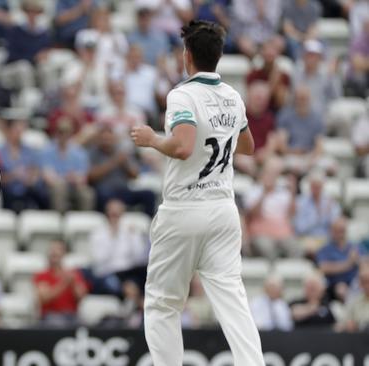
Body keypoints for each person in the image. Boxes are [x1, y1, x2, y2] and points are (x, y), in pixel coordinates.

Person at [129, 20, 264, 365]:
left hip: (185, 207)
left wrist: (152, 140)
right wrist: (216, 139)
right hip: (222, 208)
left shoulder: (183, 94)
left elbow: (184, 146)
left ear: (186, 55)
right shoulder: (232, 96)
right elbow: (247, 146)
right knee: (233, 300)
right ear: (218, 56)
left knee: (163, 302)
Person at [87, 199, 148, 295]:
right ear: (107, 213)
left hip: (129, 272)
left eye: (117, 214)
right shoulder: (98, 233)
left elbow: (139, 258)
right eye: (112, 214)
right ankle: (134, 301)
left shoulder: (130, 230)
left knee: (144, 275)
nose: (115, 217)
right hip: (107, 272)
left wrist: (133, 237)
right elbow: (98, 260)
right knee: (117, 283)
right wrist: (112, 237)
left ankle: (134, 300)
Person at [33, 240, 88, 328]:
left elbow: (81, 296)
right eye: (52, 249)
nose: (54, 252)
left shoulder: (74, 274)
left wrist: (73, 283)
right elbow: (44, 298)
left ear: (64, 253)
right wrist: (63, 283)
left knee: (85, 326)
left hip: (72, 315)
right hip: (50, 315)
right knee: (58, 324)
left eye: (58, 249)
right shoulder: (42, 275)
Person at [316, 217, 360, 301]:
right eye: (337, 230)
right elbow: (324, 268)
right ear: (331, 231)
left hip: (356, 283)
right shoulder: (325, 249)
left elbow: (365, 261)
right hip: (335, 285)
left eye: (342, 230)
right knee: (341, 289)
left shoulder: (354, 246)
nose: (340, 234)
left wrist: (359, 260)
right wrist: (349, 263)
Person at [337, 264, 369, 332]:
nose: (366, 285)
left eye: (367, 281)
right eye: (363, 281)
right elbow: (342, 324)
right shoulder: (354, 302)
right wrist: (347, 325)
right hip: (359, 339)